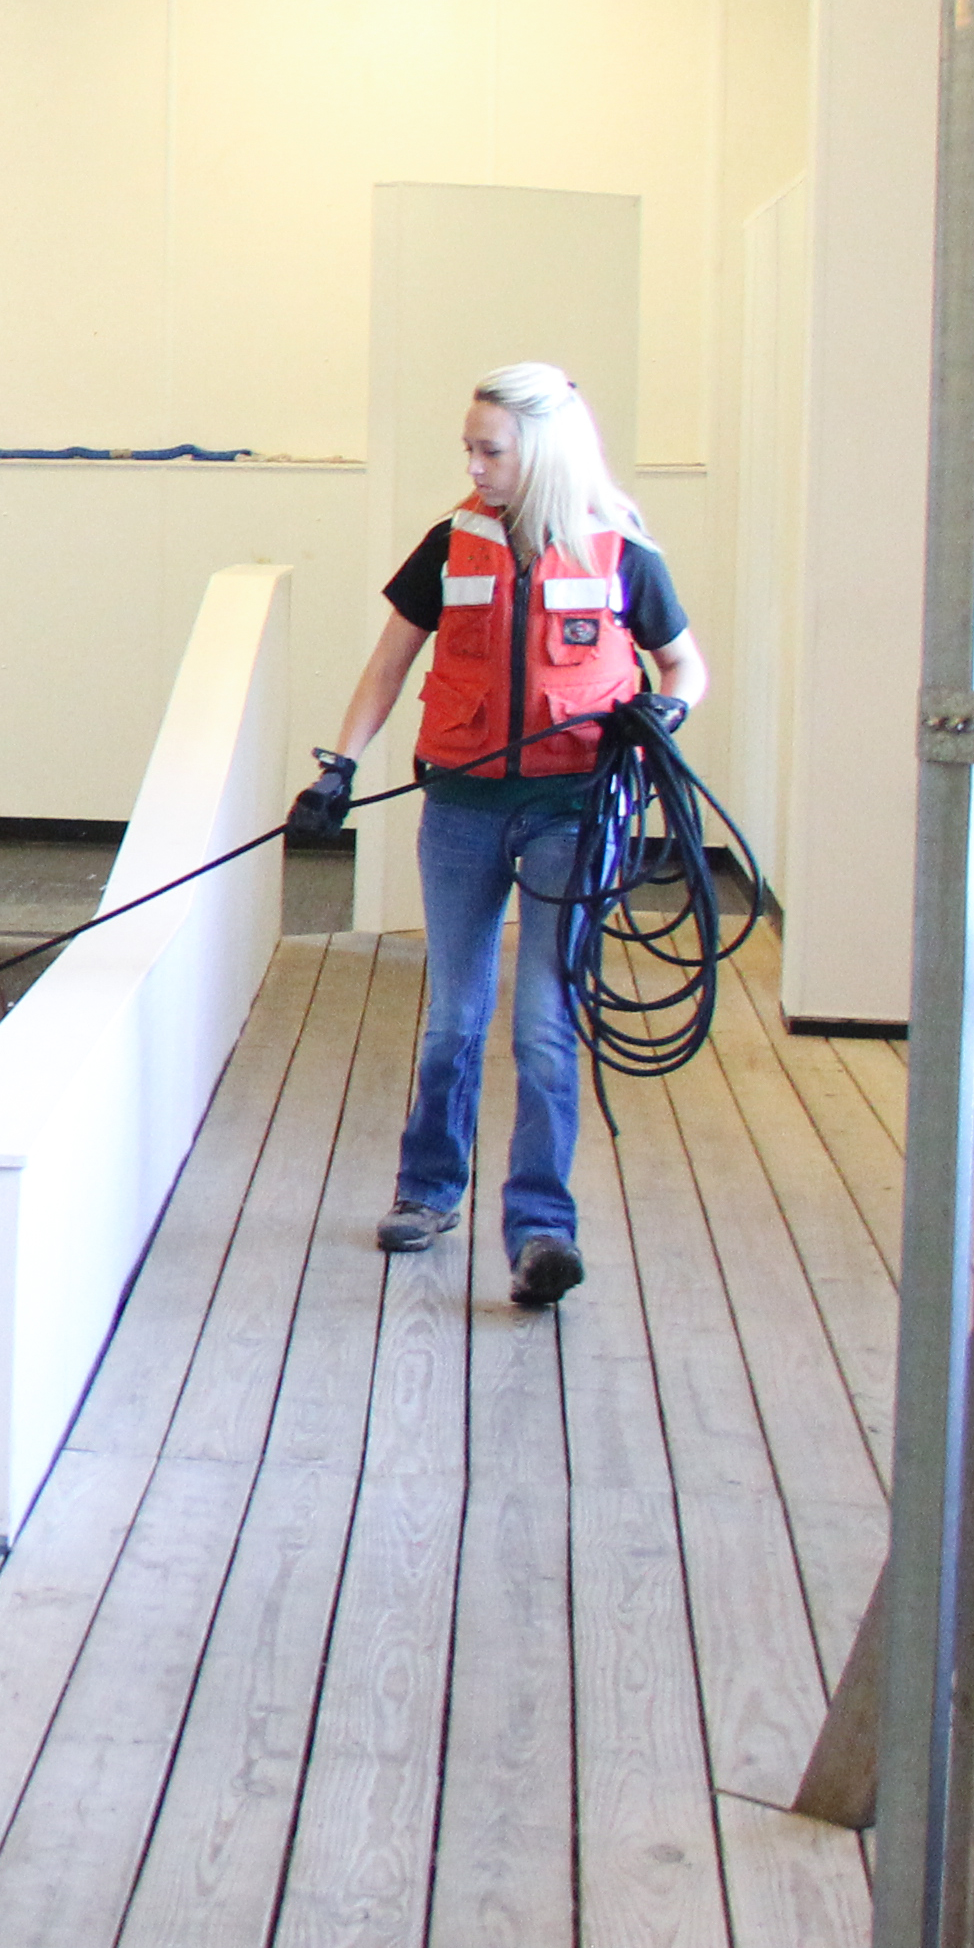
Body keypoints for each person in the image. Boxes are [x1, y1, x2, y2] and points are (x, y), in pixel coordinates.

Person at [305, 361, 706, 1309]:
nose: (475, 467)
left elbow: (686, 667)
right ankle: (430, 1191)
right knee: (454, 1013)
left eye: (492, 450)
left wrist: (663, 717)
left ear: (544, 452)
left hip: (573, 812)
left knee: (543, 1025)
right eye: (470, 449)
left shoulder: (620, 554)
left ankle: (540, 1230)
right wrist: (339, 766)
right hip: (463, 810)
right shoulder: (451, 546)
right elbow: (388, 665)